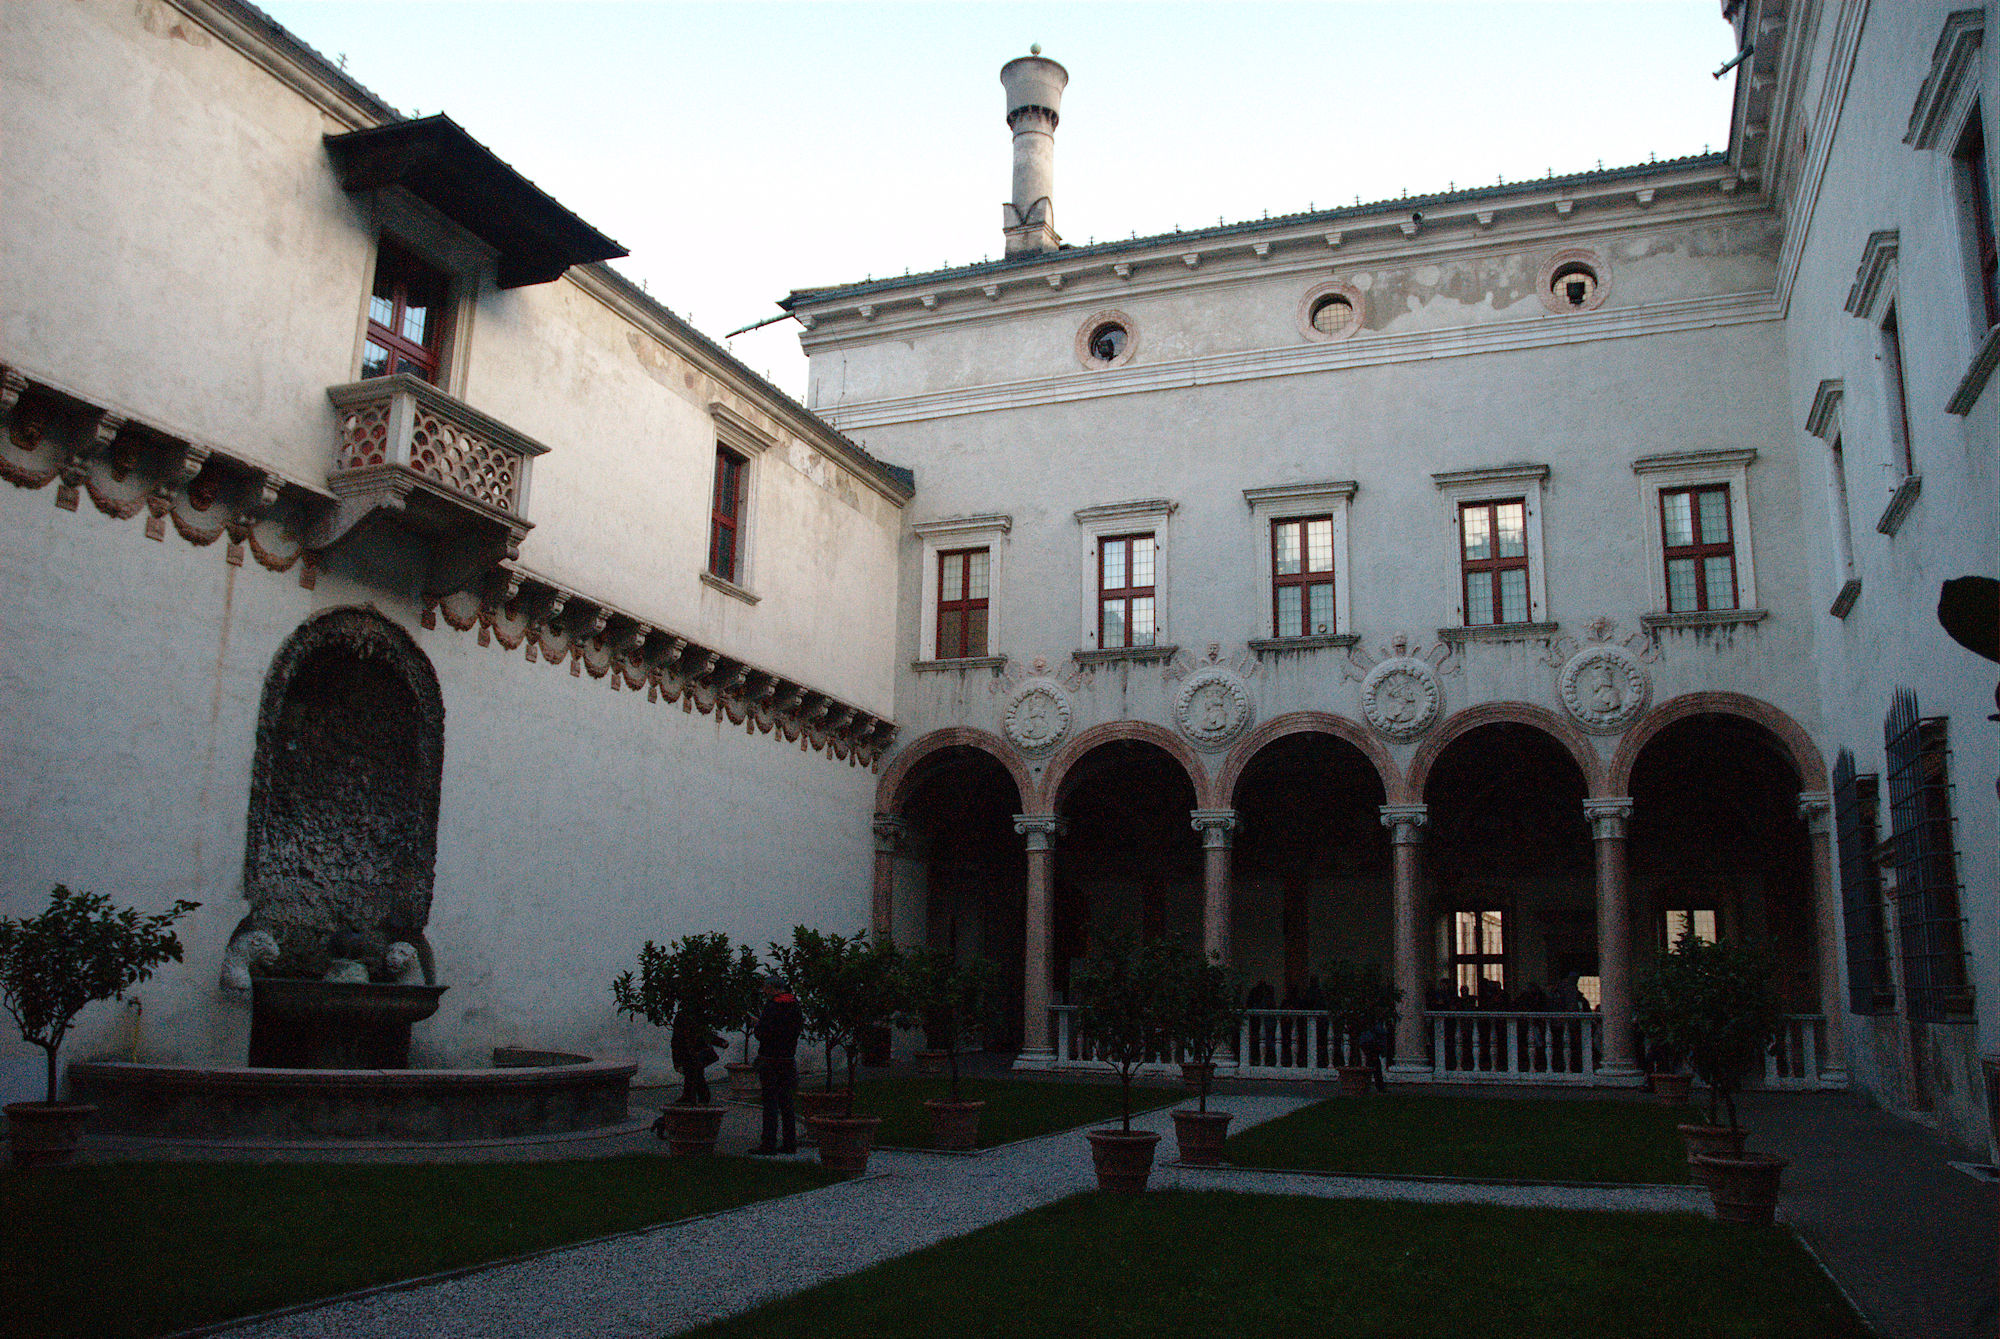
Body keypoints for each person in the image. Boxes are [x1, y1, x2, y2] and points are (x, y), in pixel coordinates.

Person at [749, 975, 803, 1155]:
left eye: (766, 988)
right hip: (788, 1057)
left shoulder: (772, 1006)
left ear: (772, 988)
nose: (764, 991)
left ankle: (768, 1143)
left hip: (770, 1059)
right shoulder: (794, 1004)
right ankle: (790, 1142)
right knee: (787, 1102)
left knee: (770, 1102)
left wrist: (757, 1025)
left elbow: (764, 1033)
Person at [670, 1011, 728, 1107]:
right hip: (689, 1054)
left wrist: (719, 1042)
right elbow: (677, 1040)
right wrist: (677, 1062)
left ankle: (694, 1099)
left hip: (695, 1053)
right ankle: (693, 1099)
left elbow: (704, 1035)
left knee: (695, 1075)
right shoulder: (684, 1016)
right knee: (694, 1076)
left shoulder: (697, 1015)